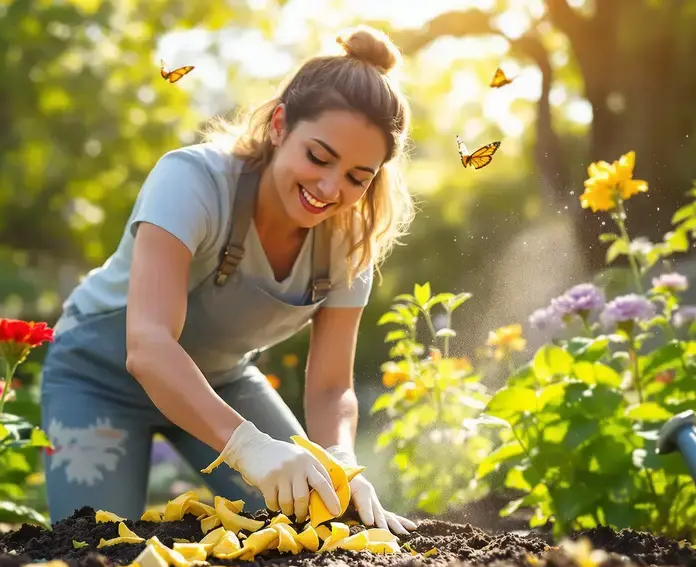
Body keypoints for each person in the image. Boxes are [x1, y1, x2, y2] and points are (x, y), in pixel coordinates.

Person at [40, 25, 419, 535]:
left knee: (322, 523)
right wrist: (249, 447)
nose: (330, 189)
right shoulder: (191, 181)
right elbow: (148, 345)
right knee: (95, 543)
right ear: (281, 125)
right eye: (318, 157)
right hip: (98, 378)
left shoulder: (350, 244)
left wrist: (339, 460)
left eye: (358, 177)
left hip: (222, 381)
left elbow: (331, 388)